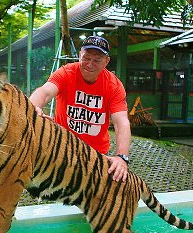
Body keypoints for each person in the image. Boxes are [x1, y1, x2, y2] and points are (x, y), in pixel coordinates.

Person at [29, 35, 131, 182]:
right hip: (62, 148)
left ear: (106, 62)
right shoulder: (66, 73)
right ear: (79, 55)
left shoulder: (114, 85)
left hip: (96, 154)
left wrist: (122, 157)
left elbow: (121, 122)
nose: (90, 64)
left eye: (97, 60)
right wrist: (32, 107)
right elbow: (45, 92)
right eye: (86, 58)